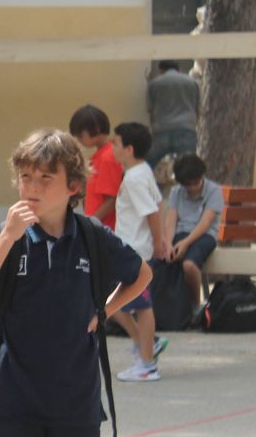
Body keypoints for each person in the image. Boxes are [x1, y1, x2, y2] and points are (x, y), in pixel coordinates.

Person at [0, 129, 150, 437]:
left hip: (75, 406)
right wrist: (8, 237)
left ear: (73, 187)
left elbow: (141, 274)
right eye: (25, 177)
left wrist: (105, 310)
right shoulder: (3, 236)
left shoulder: (92, 237)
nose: (32, 187)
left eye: (46, 178)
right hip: (12, 403)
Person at [111, 122, 168, 382]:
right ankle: (145, 344)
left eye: (116, 143)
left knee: (142, 307)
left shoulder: (135, 178)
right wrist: (160, 239)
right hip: (130, 249)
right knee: (114, 303)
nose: (113, 148)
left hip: (136, 251)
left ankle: (147, 364)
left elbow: (152, 212)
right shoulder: (142, 170)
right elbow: (159, 203)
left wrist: (159, 242)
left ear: (129, 149)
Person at [162, 153, 224, 314]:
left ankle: (195, 307)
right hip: (180, 234)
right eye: (187, 185)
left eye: (196, 183)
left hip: (204, 236)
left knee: (189, 265)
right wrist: (168, 244)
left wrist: (185, 243)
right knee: (162, 260)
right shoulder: (176, 192)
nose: (192, 188)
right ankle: (167, 309)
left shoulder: (214, 191)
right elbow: (171, 220)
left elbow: (205, 223)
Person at [69, 104, 121, 230]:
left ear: (96, 129)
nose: (78, 140)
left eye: (80, 136)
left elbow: (111, 200)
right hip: (97, 224)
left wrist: (90, 223)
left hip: (105, 228)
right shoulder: (97, 157)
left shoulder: (108, 157)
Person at [146, 61, 200, 168]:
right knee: (188, 166)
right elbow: (197, 108)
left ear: (161, 70)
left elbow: (150, 109)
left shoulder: (155, 83)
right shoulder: (191, 82)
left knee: (148, 164)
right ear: (178, 69)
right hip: (186, 129)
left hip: (161, 130)